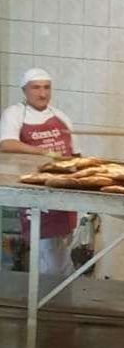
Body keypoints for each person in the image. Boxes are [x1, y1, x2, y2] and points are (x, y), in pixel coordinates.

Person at [0, 68, 80, 275]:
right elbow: (6, 143)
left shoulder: (60, 117)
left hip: (64, 193)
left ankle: (60, 290)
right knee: (47, 252)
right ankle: (50, 292)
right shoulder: (14, 113)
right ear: (24, 90)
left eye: (46, 87)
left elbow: (77, 156)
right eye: (36, 88)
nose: (42, 93)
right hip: (36, 195)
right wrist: (44, 152)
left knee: (61, 250)